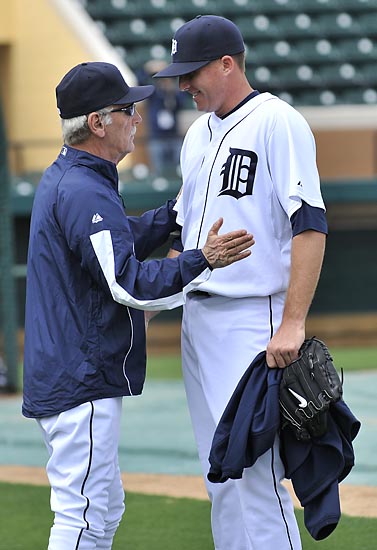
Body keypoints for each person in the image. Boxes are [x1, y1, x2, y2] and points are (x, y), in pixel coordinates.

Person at [22, 61, 254, 550]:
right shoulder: (83, 188)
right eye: (127, 109)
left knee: (102, 510)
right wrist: (202, 260)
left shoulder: (79, 177)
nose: (138, 119)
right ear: (97, 123)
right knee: (82, 517)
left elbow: (116, 238)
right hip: (78, 380)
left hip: (75, 375)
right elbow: (126, 282)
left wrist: (173, 214)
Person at [154, 15, 328, 550]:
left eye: (193, 72)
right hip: (197, 316)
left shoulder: (279, 122)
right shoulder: (195, 133)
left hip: (253, 316)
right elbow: (182, 237)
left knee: (254, 476)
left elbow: (311, 225)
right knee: (219, 475)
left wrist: (293, 322)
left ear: (228, 64)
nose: (184, 85)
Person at [137, 59, 187, 177]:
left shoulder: (175, 94)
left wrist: (172, 91)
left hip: (174, 136)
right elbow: (140, 83)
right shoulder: (155, 94)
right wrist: (147, 69)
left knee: (179, 171)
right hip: (157, 137)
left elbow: (182, 101)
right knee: (157, 171)